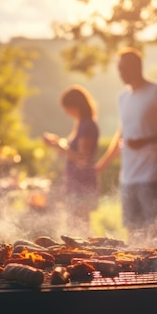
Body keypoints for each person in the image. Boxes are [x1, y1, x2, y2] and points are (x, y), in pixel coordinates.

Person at [95, 47, 157, 248]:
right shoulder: (123, 97)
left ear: (138, 67)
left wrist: (147, 140)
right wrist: (102, 165)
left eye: (125, 68)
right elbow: (122, 133)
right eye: (119, 69)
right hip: (128, 177)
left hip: (154, 175)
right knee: (134, 235)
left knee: (156, 234)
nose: (121, 73)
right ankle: (139, 277)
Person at [43, 85, 100, 234]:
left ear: (76, 106)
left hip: (82, 185)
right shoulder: (81, 124)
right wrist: (59, 142)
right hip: (76, 184)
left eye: (67, 107)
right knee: (74, 226)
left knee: (80, 226)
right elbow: (74, 151)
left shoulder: (87, 126)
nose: (65, 112)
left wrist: (57, 146)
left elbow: (82, 158)